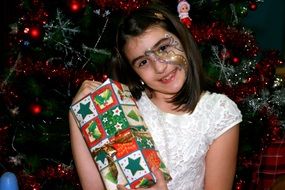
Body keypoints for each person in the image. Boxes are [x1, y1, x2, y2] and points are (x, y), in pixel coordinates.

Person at [69, 1, 242, 190]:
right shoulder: (124, 108)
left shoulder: (219, 112)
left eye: (163, 48)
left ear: (182, 40)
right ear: (135, 71)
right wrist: (77, 114)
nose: (159, 67)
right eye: (143, 62)